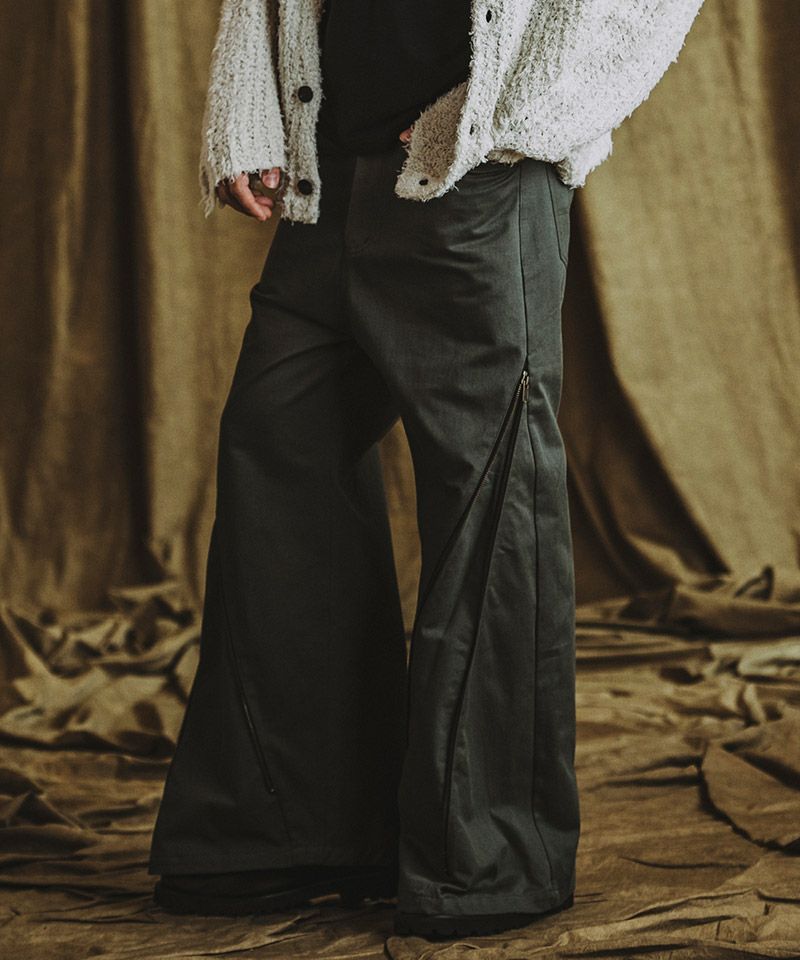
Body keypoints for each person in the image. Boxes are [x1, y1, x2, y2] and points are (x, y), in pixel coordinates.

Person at [147, 0, 705, 941]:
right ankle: (292, 829)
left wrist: (508, 119)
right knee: (278, 455)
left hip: (476, 180)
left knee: (491, 498)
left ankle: (489, 857)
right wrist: (251, 109)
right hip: (329, 170)